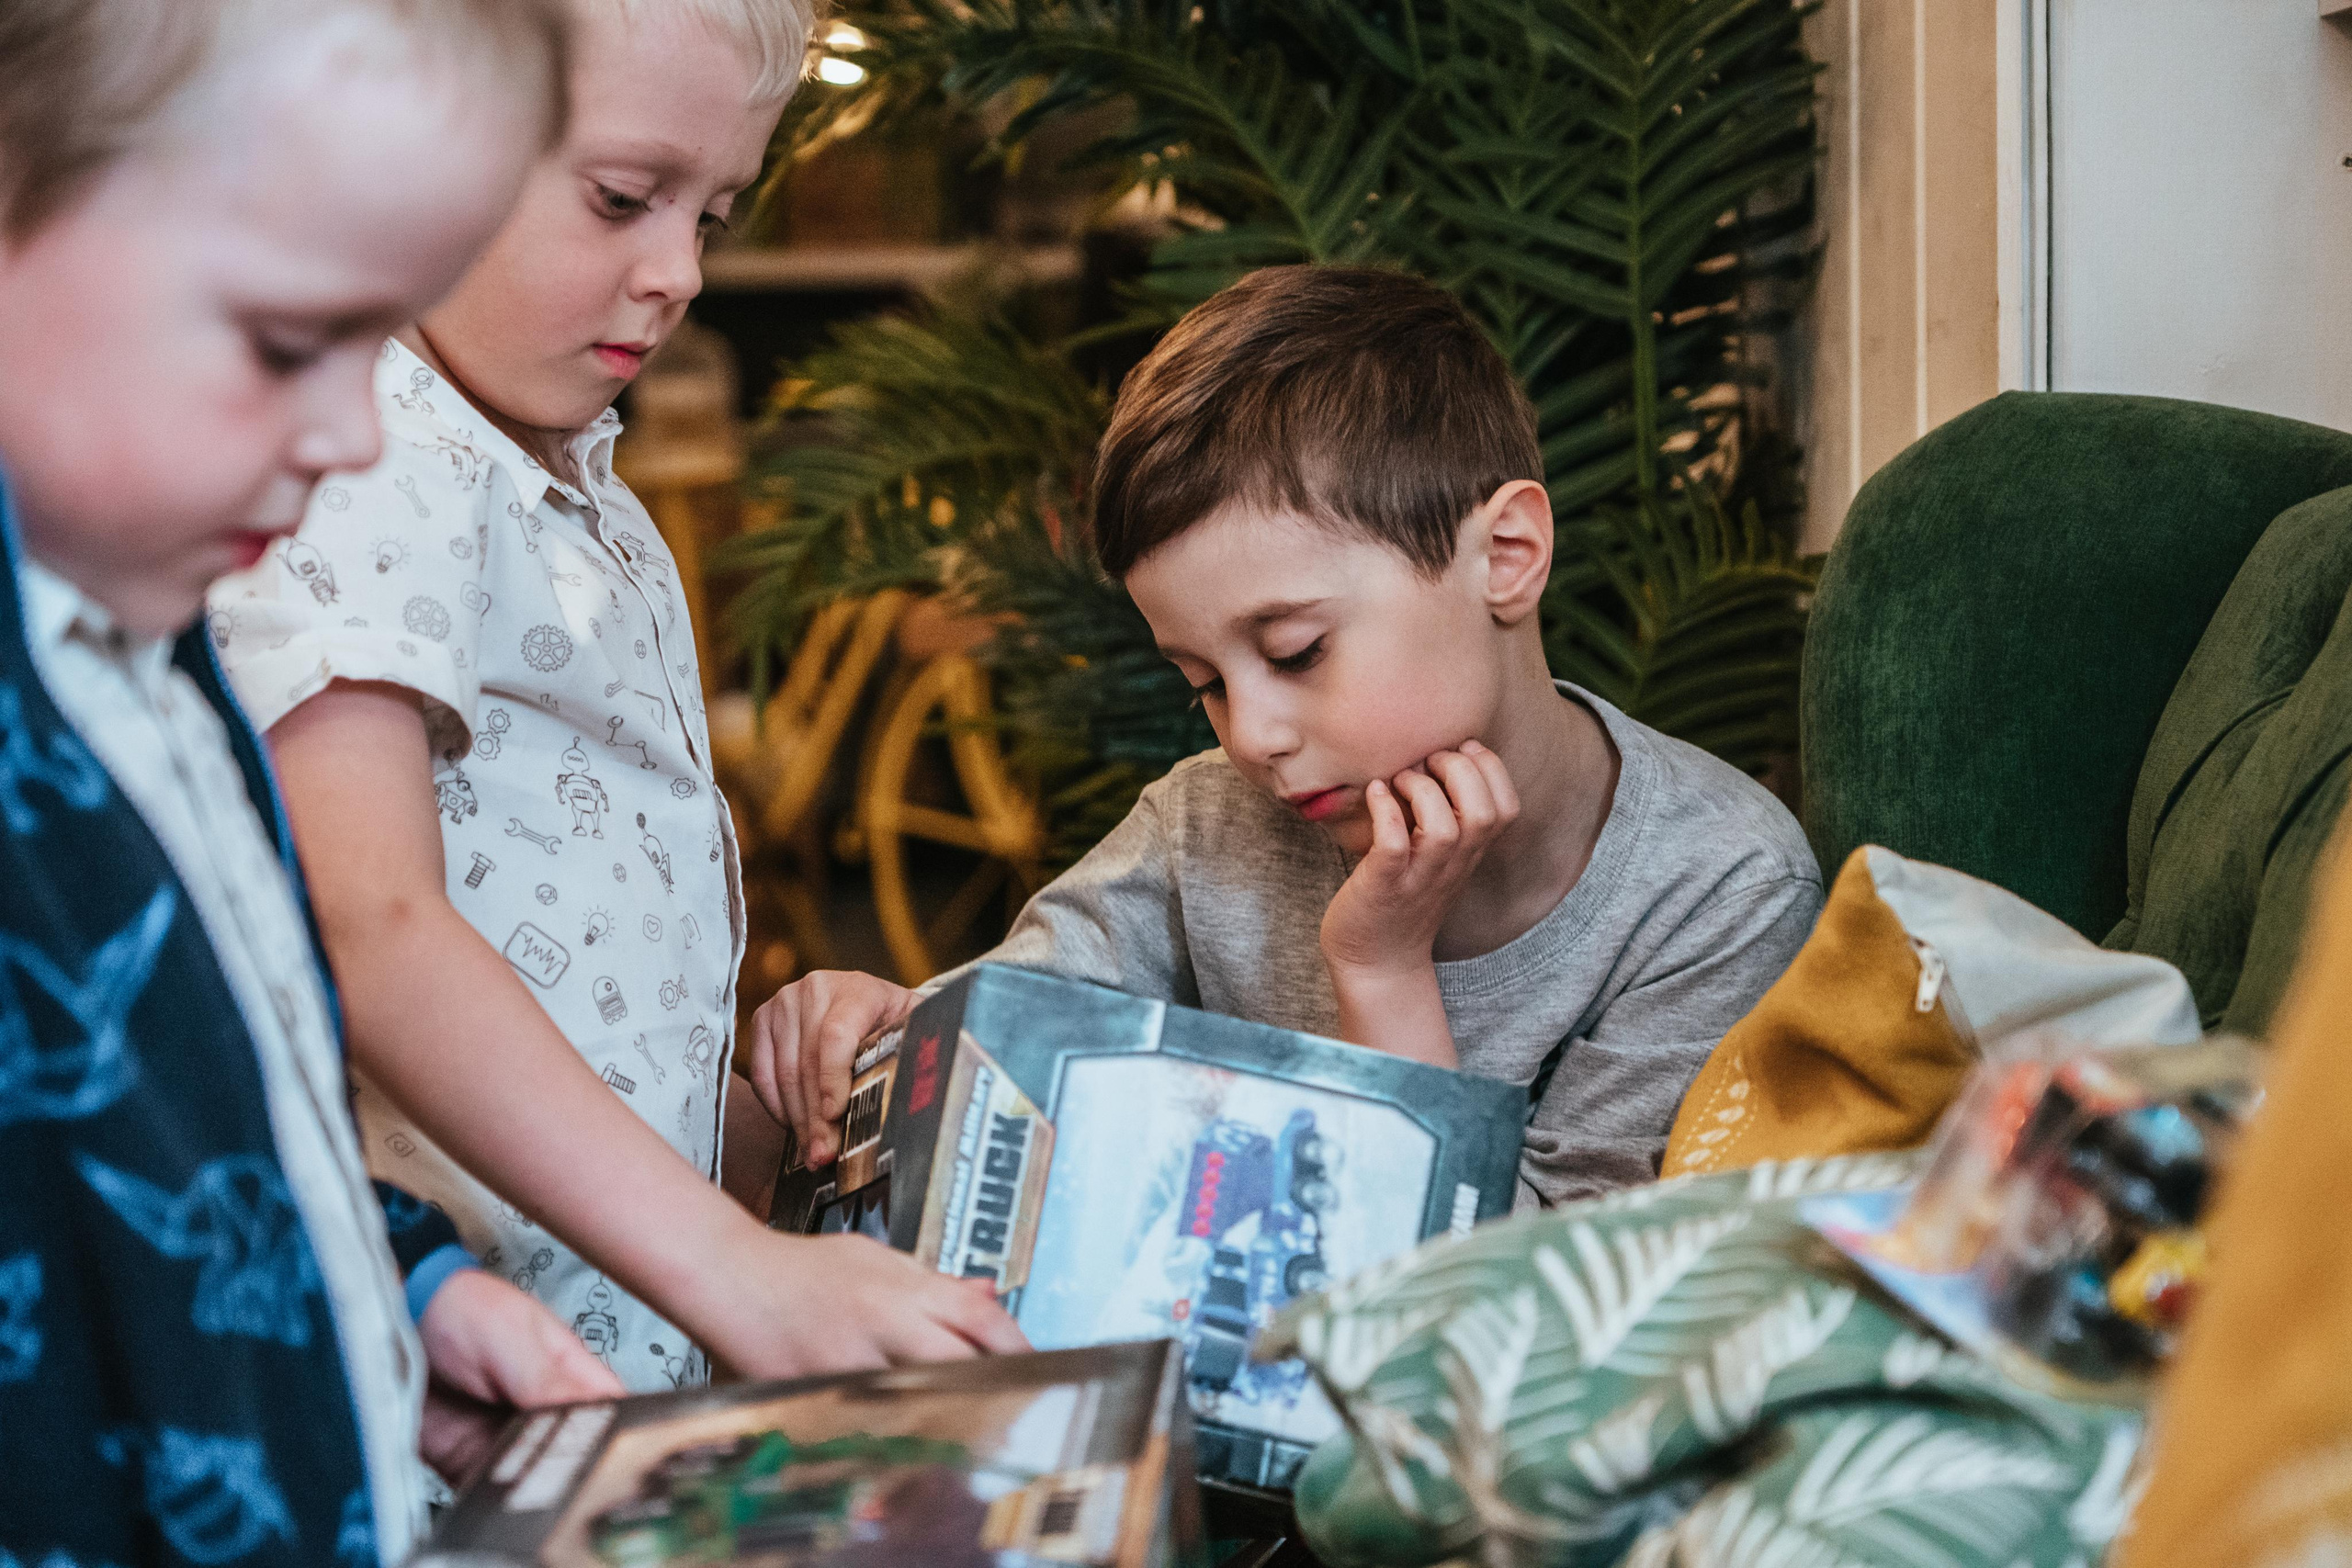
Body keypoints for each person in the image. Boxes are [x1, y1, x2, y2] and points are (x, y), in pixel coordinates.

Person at [209, 0, 1025, 1393]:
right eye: (623, 197)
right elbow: (368, 917)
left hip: (601, 1357)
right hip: (462, 1369)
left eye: (712, 215)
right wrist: (735, 1259)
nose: (680, 270)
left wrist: (750, 1110)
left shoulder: (549, 472)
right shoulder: (369, 448)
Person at [753, 265, 1826, 1209]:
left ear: (1505, 554)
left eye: (1299, 650)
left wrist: (1384, 970)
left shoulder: (1717, 889)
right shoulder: (1205, 825)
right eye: (1204, 685)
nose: (1253, 736)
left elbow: (1521, 1320)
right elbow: (1007, 1039)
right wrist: (877, 1028)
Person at [0, 1, 627, 1563]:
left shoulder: (152, 645)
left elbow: (213, 1087)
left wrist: (402, 1279)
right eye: (290, 343)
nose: (352, 431)